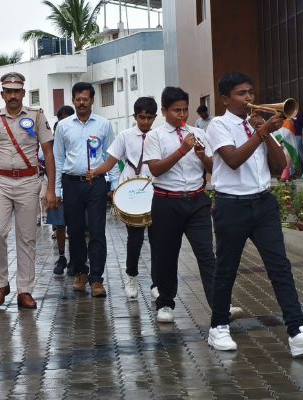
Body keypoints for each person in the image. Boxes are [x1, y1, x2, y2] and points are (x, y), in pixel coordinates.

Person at [206, 72, 303, 355]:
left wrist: (265, 132)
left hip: (263, 203)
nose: (249, 98)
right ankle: (218, 327)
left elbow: (279, 165)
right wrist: (260, 133)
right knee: (226, 268)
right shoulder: (218, 125)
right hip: (231, 205)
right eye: (241, 93)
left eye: (251, 92)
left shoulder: (257, 124)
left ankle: (296, 330)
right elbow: (233, 160)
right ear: (225, 99)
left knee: (280, 267)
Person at [0, 72, 56, 309]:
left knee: (27, 237)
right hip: (0, 181)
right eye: (8, 92)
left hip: (29, 181)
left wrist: (51, 189)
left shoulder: (36, 116)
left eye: (16, 91)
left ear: (23, 93)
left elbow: (48, 153)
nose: (12, 96)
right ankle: (1, 284)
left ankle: (25, 290)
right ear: (2, 94)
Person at [142, 87, 223, 323]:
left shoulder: (199, 133)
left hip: (197, 200)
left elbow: (213, 168)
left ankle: (220, 306)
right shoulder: (155, 136)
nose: (182, 115)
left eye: (185, 110)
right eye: (176, 110)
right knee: (167, 254)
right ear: (164, 111)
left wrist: (202, 155)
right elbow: (156, 169)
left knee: (206, 254)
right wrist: (182, 150)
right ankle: (166, 302)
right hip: (167, 201)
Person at [87, 97, 158, 300]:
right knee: (135, 239)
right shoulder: (125, 136)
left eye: (149, 118)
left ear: (155, 117)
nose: (145, 122)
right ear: (135, 116)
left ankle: (157, 282)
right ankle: (131, 276)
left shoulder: (159, 136)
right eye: (142, 117)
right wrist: (96, 172)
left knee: (158, 240)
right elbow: (111, 161)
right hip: (130, 191)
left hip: (154, 189)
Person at [53, 82, 116, 297]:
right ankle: (80, 272)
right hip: (71, 183)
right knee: (76, 230)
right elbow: (58, 158)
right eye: (78, 99)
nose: (81, 103)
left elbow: (111, 156)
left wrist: (113, 184)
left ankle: (96, 278)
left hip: (96, 183)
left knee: (97, 231)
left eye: (85, 99)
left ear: (92, 100)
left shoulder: (104, 125)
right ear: (73, 100)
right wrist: (57, 190)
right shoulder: (63, 126)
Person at [49, 105, 74, 276]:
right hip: (58, 185)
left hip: (73, 184)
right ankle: (62, 256)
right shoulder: (55, 135)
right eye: (61, 119)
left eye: (67, 118)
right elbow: (47, 160)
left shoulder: (76, 134)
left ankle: (76, 259)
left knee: (76, 225)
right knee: (59, 224)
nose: (64, 122)